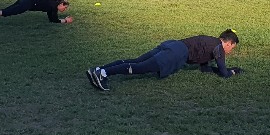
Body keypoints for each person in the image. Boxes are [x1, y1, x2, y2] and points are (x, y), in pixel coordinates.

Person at [86, 29, 241, 92]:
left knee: (137, 61)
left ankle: (99, 69)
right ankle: (103, 73)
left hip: (172, 45)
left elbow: (204, 68)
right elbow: (223, 73)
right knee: (141, 67)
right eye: (231, 48)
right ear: (228, 43)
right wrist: (233, 71)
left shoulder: (209, 43)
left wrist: (217, 69)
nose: (229, 51)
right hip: (177, 53)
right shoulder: (218, 48)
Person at [0, 0, 72, 28]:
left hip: (25, 0)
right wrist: (66, 21)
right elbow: (54, 19)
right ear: (61, 4)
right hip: (26, 4)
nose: (65, 9)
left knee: (5, 11)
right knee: (5, 12)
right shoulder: (53, 6)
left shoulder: (52, 3)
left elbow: (51, 18)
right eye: (65, 7)